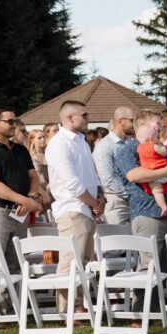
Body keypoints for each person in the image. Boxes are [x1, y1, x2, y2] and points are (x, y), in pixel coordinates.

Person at [116, 108, 167, 317]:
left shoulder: (163, 147)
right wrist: (163, 172)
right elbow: (134, 174)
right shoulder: (129, 149)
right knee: (148, 265)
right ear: (143, 126)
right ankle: (141, 312)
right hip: (147, 212)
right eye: (156, 124)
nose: (160, 127)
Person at [46, 100, 105, 315]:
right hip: (72, 208)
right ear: (70, 118)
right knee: (71, 259)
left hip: (88, 207)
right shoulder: (59, 143)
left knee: (84, 260)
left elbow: (92, 174)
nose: (88, 119)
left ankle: (78, 304)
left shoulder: (81, 141)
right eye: (85, 115)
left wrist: (100, 198)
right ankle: (66, 309)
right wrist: (93, 202)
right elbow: (72, 183)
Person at [0, 108, 41, 283]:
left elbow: (33, 177)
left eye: (15, 120)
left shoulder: (20, 149)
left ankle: (16, 307)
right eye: (10, 121)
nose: (15, 124)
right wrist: (25, 200)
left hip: (20, 212)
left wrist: (32, 197)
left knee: (16, 265)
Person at [93, 107, 135, 225]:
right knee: (119, 241)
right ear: (121, 121)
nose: (135, 124)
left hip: (134, 200)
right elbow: (107, 179)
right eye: (132, 120)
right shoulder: (104, 146)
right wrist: (132, 194)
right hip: (116, 202)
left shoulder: (132, 142)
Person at [134, 119, 167, 218]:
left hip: (152, 176)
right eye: (157, 137)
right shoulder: (154, 146)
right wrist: (163, 148)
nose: (158, 138)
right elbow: (164, 153)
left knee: (157, 191)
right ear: (151, 138)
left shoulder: (139, 148)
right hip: (164, 171)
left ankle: (163, 207)